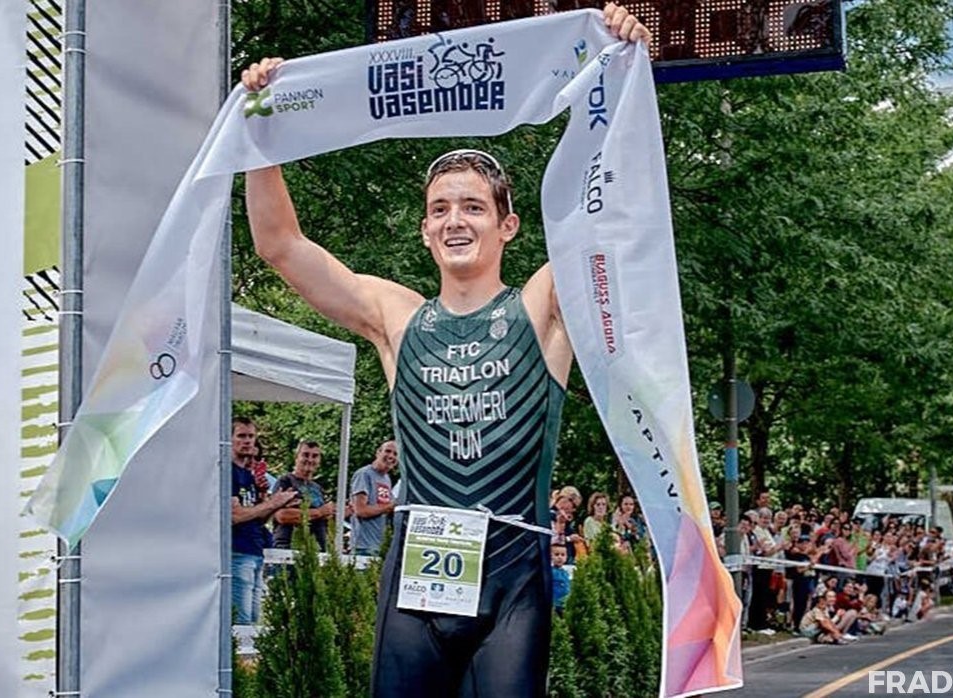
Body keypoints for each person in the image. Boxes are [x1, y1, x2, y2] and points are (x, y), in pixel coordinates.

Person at [241, 6, 652, 694]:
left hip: (513, 579)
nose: (455, 220)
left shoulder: (542, 307)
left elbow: (613, 215)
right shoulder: (396, 317)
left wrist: (625, 76)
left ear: (507, 226)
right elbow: (279, 245)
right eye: (440, 209)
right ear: (425, 231)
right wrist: (260, 128)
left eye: (472, 207)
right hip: (417, 581)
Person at [230, 417, 298, 624]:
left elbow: (258, 520)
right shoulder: (228, 472)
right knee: (241, 622)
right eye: (241, 436)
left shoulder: (248, 476)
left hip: (255, 550)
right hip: (236, 552)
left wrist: (275, 504)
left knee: (253, 620)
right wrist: (272, 503)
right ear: (229, 439)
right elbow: (234, 516)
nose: (247, 441)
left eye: (251, 436)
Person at [272, 440, 336, 552]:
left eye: (315, 456)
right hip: (289, 549)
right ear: (296, 457)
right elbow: (281, 516)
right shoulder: (286, 482)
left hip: (316, 550)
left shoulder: (318, 488)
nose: (310, 460)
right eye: (305, 455)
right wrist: (319, 512)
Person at [350, 440, 398, 556]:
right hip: (363, 547)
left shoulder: (386, 479)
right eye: (387, 451)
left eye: (395, 454)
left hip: (380, 547)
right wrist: (390, 506)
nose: (391, 456)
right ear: (378, 452)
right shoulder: (364, 474)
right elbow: (360, 510)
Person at [550, 545, 571, 615]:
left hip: (565, 603)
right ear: (551, 556)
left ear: (566, 557)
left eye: (563, 555)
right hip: (555, 604)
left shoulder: (565, 573)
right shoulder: (550, 572)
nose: (560, 557)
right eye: (556, 554)